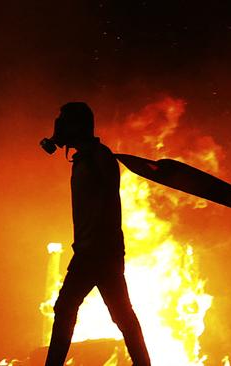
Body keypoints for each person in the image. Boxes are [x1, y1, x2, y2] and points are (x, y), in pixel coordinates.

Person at [43, 102, 151, 366]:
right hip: (96, 250)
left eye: (64, 122)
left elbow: (108, 198)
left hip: (97, 252)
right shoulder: (84, 159)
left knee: (68, 309)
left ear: (77, 126)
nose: (59, 127)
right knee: (122, 316)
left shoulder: (99, 157)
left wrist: (96, 245)